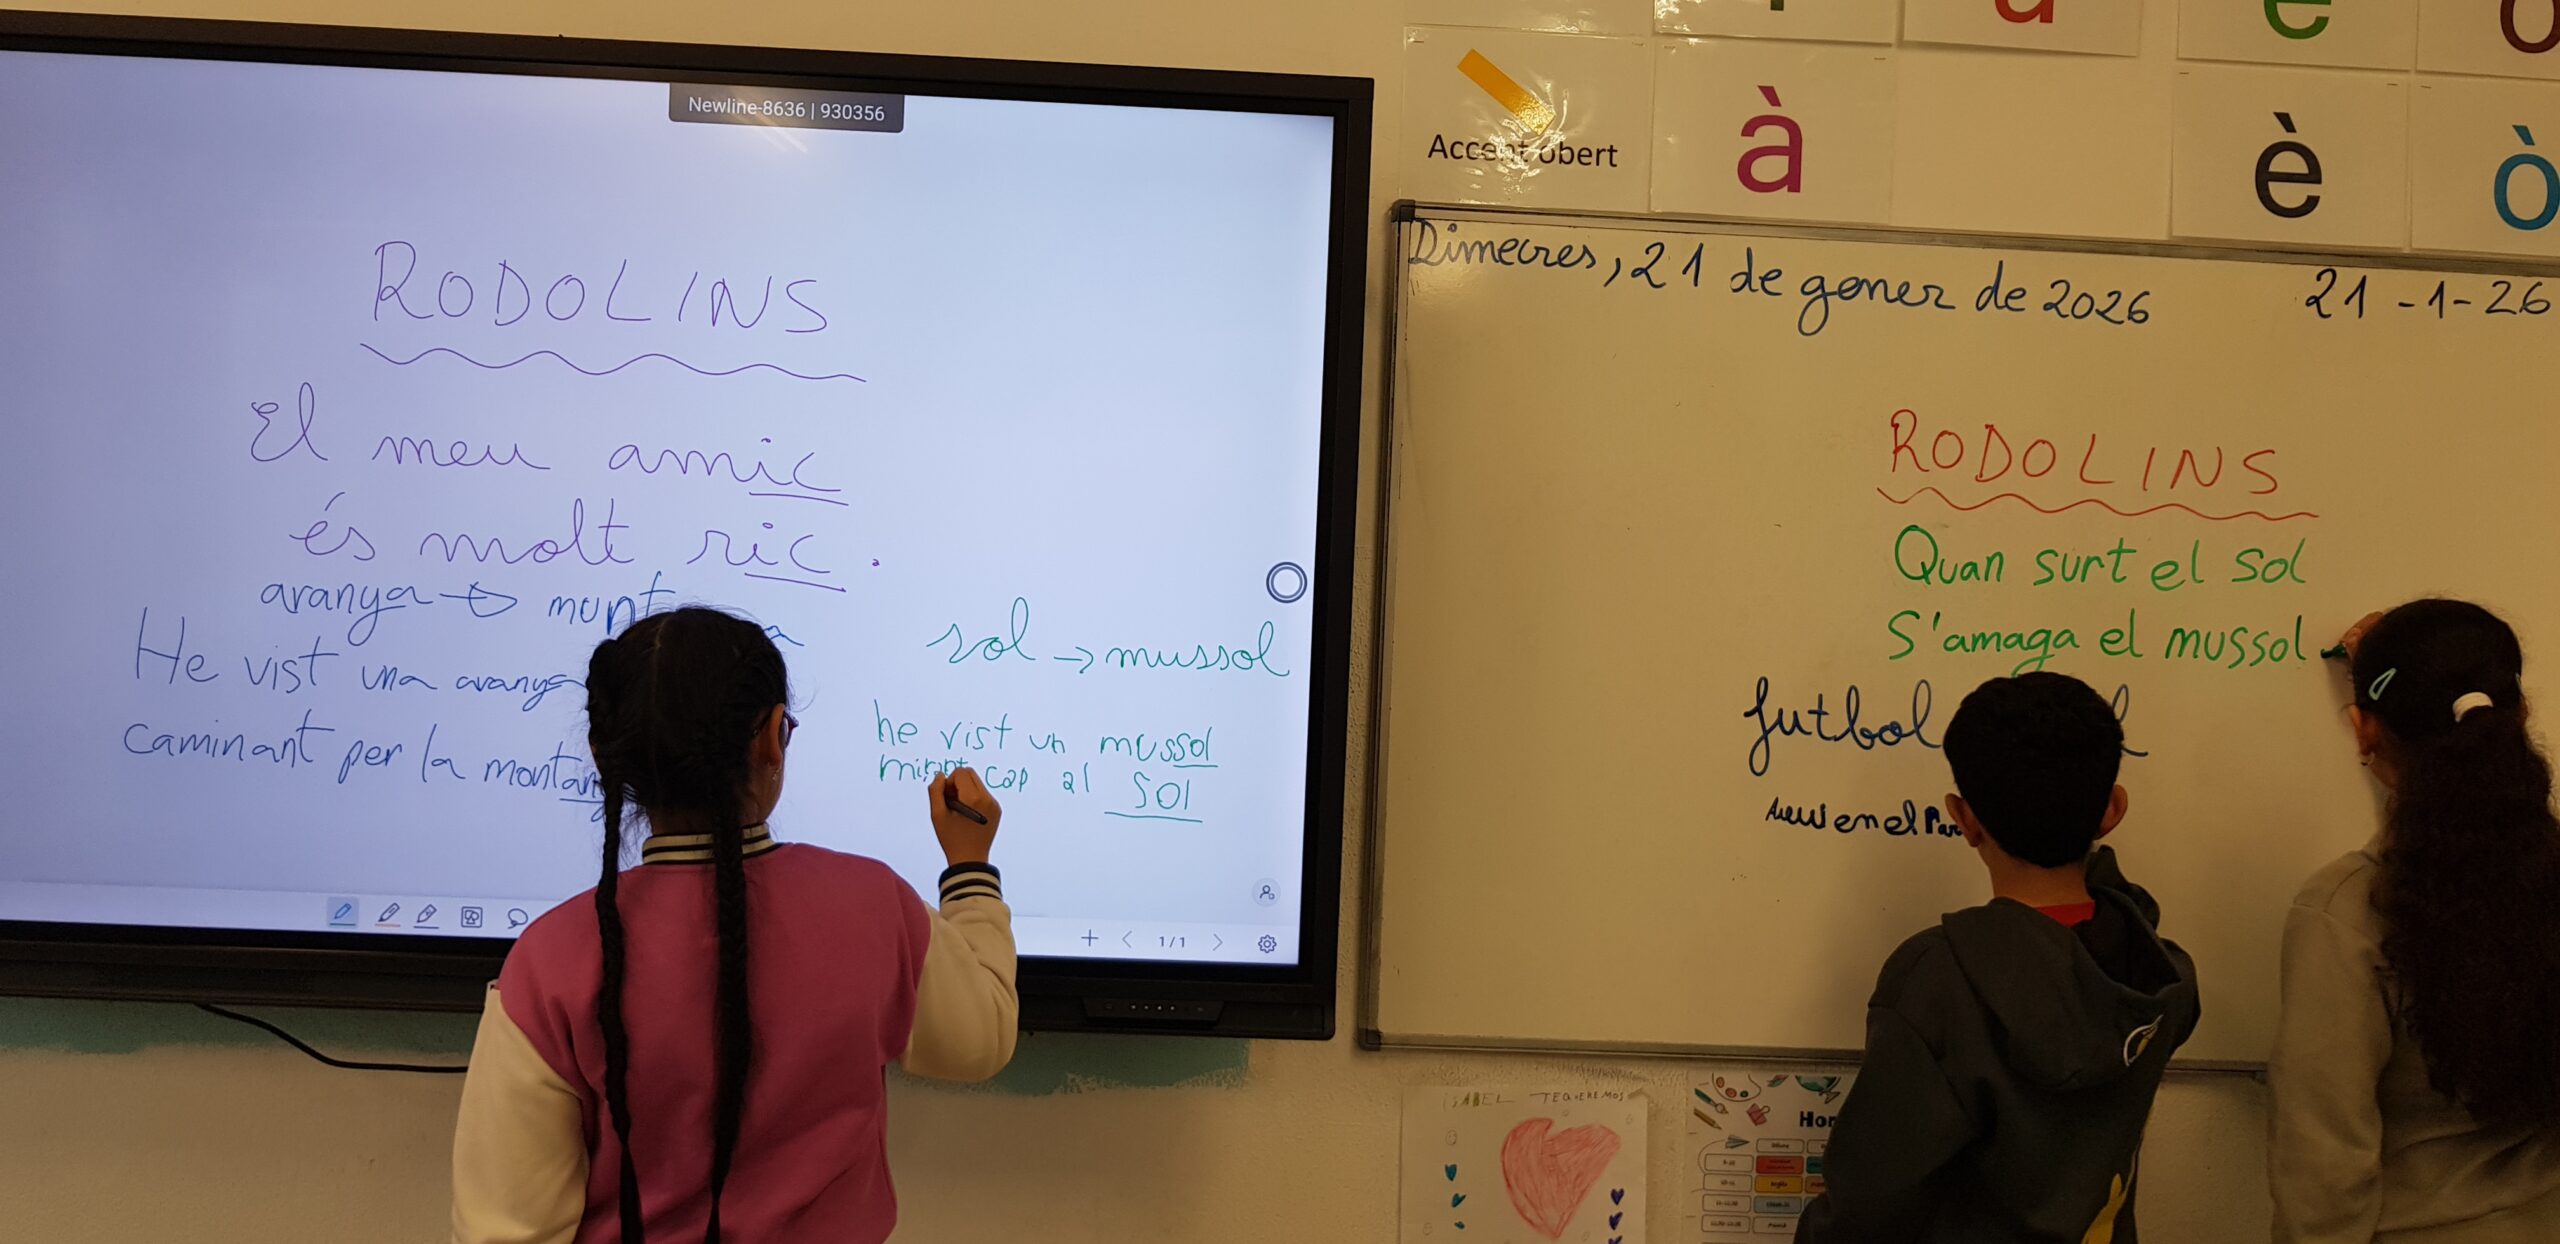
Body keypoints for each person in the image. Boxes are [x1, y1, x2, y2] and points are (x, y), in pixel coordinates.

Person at [450, 606, 1018, 1244]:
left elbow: (505, 1232)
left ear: (605, 755)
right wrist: (970, 869)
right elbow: (980, 1038)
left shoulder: (549, 961)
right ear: (772, 737)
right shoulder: (875, 905)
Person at [1798, 671, 2201, 1243]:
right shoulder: (2158, 975)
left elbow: (1870, 1202)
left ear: (1963, 818)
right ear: (2112, 810)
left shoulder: (1940, 980)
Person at [2271, 599, 2560, 1242]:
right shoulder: (2543, 883)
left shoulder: (2347, 910)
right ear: (2520, 715)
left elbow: (2322, 1170)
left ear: (2363, 732)